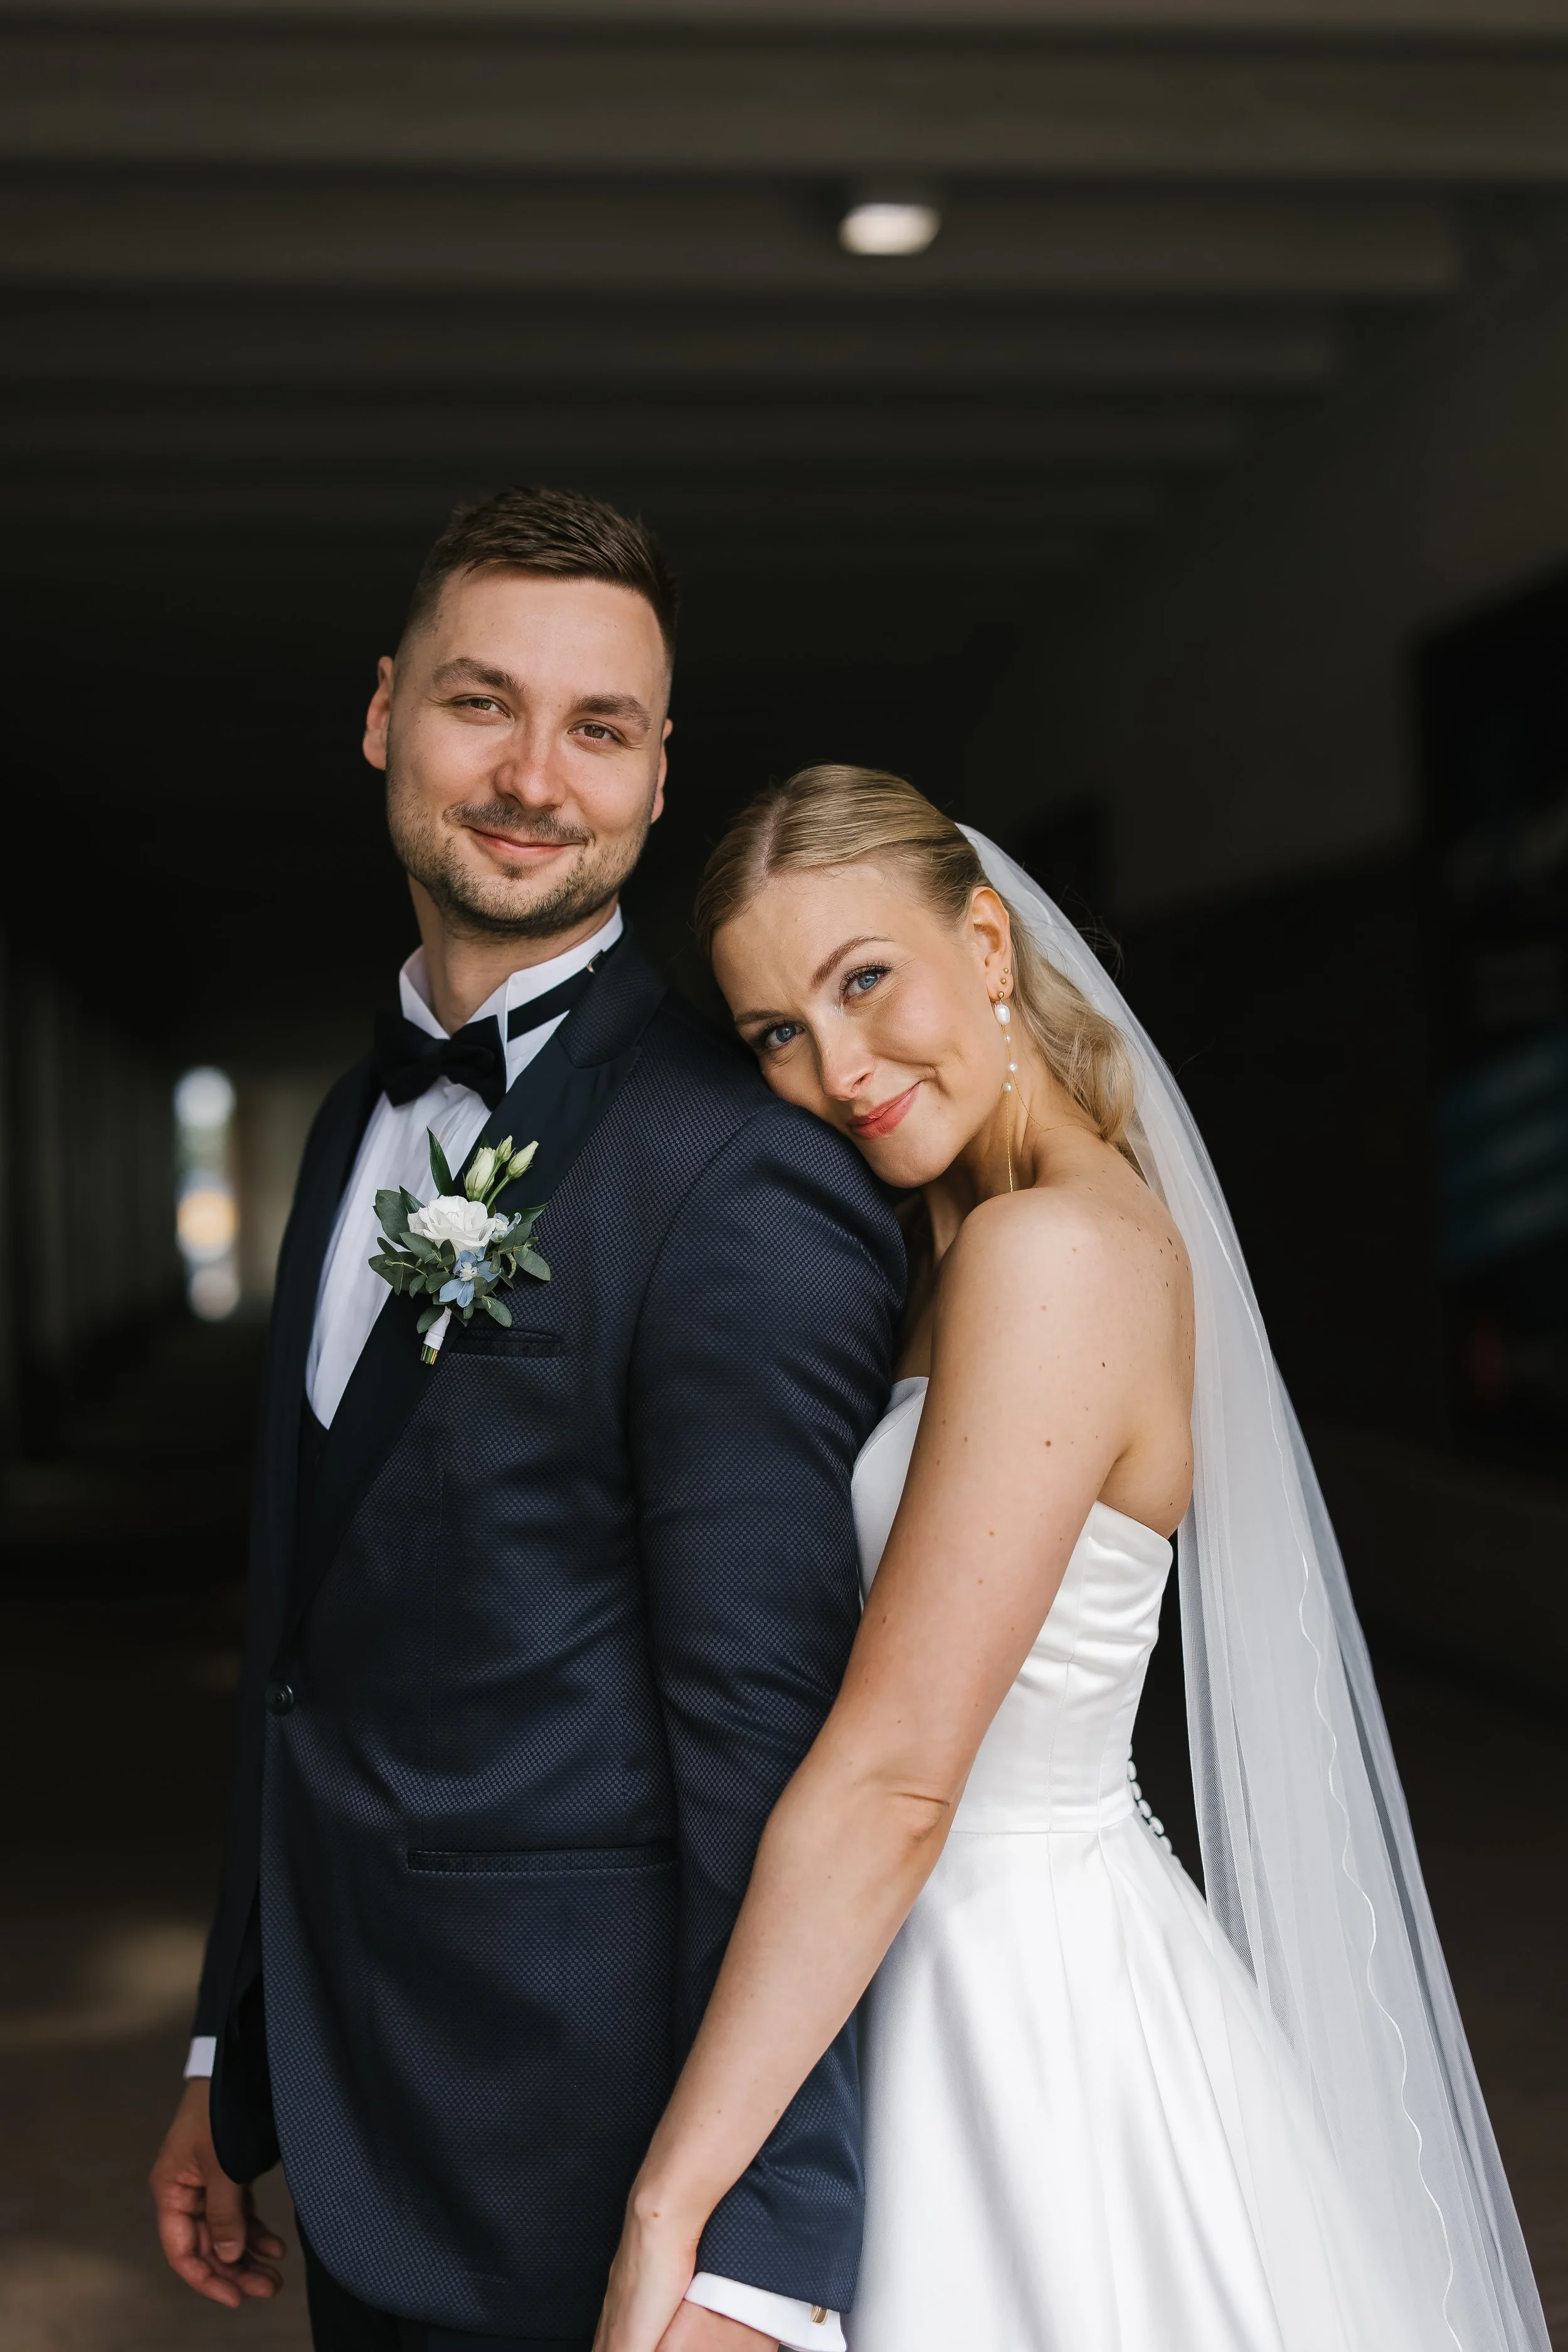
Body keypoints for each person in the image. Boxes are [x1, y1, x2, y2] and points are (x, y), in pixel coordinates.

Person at [594, 766, 1550, 2352]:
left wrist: (668, 2204)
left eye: (863, 981)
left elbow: (903, 1775)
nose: (835, 1067)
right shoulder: (968, 1240)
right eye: (776, 1031)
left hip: (1009, 2003)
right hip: (896, 1959)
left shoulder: (1051, 1257)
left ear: (983, 942)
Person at [149, 494, 906, 2352]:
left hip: (594, 2156)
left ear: (657, 780)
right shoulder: (345, 1123)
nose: (532, 775)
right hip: (354, 2104)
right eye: (483, 703)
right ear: (384, 712)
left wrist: (762, 2243)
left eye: (600, 727)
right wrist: (227, 2053)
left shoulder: (736, 1169)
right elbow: (308, 1640)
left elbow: (777, 1745)